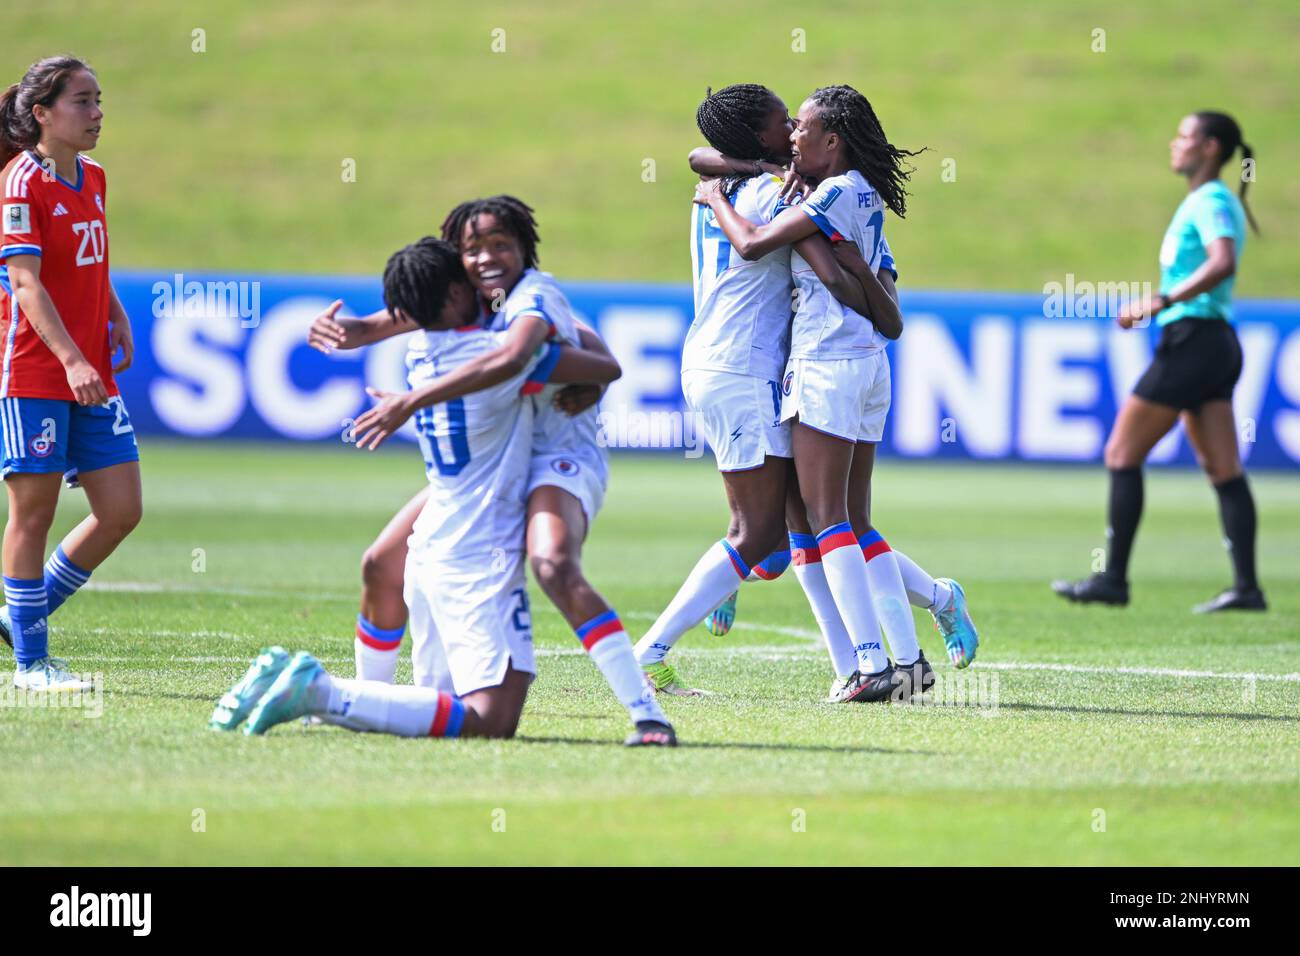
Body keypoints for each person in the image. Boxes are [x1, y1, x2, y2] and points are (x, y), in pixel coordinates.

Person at [213, 238, 674, 743]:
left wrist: (373, 343)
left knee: (438, 691)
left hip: (433, 540)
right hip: (480, 552)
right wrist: (590, 366)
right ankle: (323, 692)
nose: (480, 265)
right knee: (491, 720)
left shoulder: (420, 351)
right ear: (457, 289)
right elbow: (596, 365)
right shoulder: (501, 356)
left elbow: (426, 323)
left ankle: (343, 696)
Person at [691, 85, 939, 702]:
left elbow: (751, 244)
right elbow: (865, 297)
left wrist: (717, 197)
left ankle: (869, 664)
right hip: (869, 364)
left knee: (827, 524)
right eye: (788, 126)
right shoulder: (864, 192)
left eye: (801, 127)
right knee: (851, 521)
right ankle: (908, 662)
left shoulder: (823, 194)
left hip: (826, 362)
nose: (794, 136)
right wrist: (856, 274)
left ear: (832, 140)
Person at [1052, 111, 1265, 614]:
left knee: (1122, 453)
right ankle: (1247, 588)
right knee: (1224, 468)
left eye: (1185, 136)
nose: (1175, 144)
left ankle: (1113, 580)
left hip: (1193, 340)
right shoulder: (1205, 199)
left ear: (1211, 147)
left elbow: (1222, 262)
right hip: (1212, 343)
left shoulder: (1211, 199)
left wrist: (1160, 301)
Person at [0, 56, 141, 689]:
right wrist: (71, 358)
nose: (97, 112)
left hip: (89, 372)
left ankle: (18, 618)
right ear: (42, 114)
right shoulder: (20, 182)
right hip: (37, 371)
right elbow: (25, 284)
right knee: (34, 514)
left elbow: (90, 260)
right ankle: (32, 662)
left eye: (98, 100)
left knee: (121, 510)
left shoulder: (96, 177)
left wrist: (113, 314)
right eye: (82, 102)